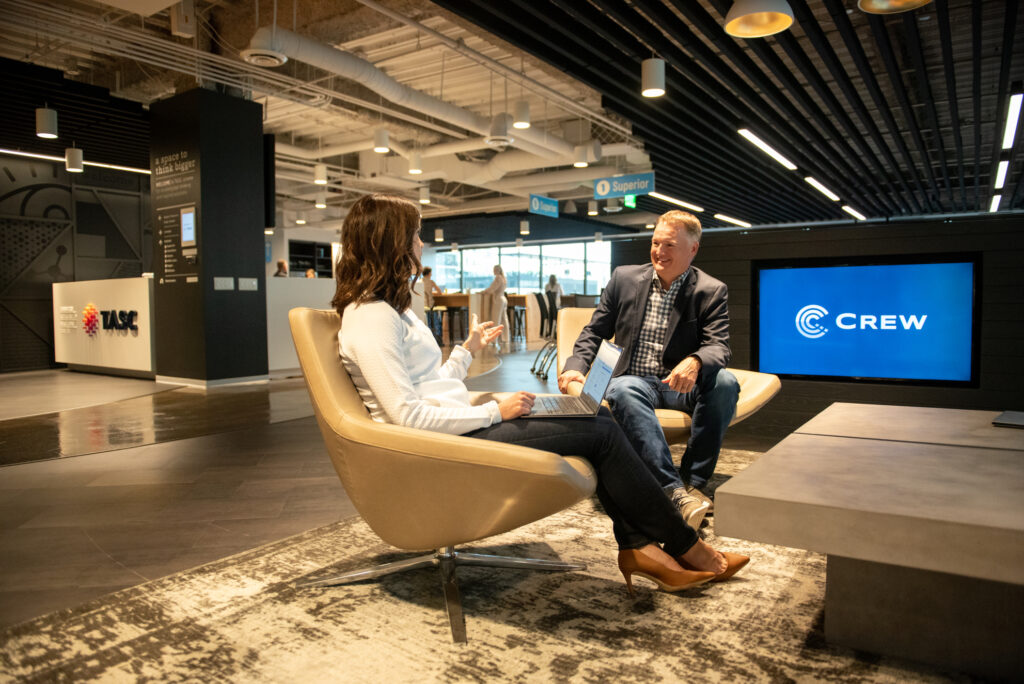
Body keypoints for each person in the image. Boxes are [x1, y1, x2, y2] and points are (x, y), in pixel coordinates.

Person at [331, 193, 748, 595]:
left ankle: (643, 547)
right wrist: (497, 412)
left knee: (595, 417)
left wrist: (466, 352)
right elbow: (408, 417)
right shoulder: (370, 317)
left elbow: (427, 385)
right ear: (390, 243)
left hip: (456, 421)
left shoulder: (392, 309)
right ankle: (682, 547)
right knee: (599, 428)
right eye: (416, 235)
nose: (421, 244)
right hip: (440, 440)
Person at [558, 210, 740, 533]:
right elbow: (593, 332)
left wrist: (696, 361)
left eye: (669, 245)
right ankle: (673, 492)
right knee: (624, 389)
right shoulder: (625, 279)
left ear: (693, 249)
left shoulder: (710, 291)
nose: (659, 251)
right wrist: (575, 369)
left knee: (725, 382)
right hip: (632, 379)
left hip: (677, 384)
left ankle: (692, 482)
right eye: (655, 242)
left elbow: (719, 347)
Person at [480, 264, 510, 345]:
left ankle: (493, 340)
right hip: (503, 299)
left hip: (498, 300)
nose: (493, 271)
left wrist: (483, 292)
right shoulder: (504, 278)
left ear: (497, 270)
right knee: (504, 320)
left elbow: (492, 288)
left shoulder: (498, 278)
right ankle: (506, 338)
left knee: (496, 319)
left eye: (494, 269)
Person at [421, 266, 444, 338]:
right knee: (435, 318)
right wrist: (431, 293)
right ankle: (437, 335)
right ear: (429, 273)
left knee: (426, 321)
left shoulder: (420, 282)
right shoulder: (431, 282)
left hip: (423, 305)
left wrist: (429, 292)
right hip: (430, 305)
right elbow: (440, 292)